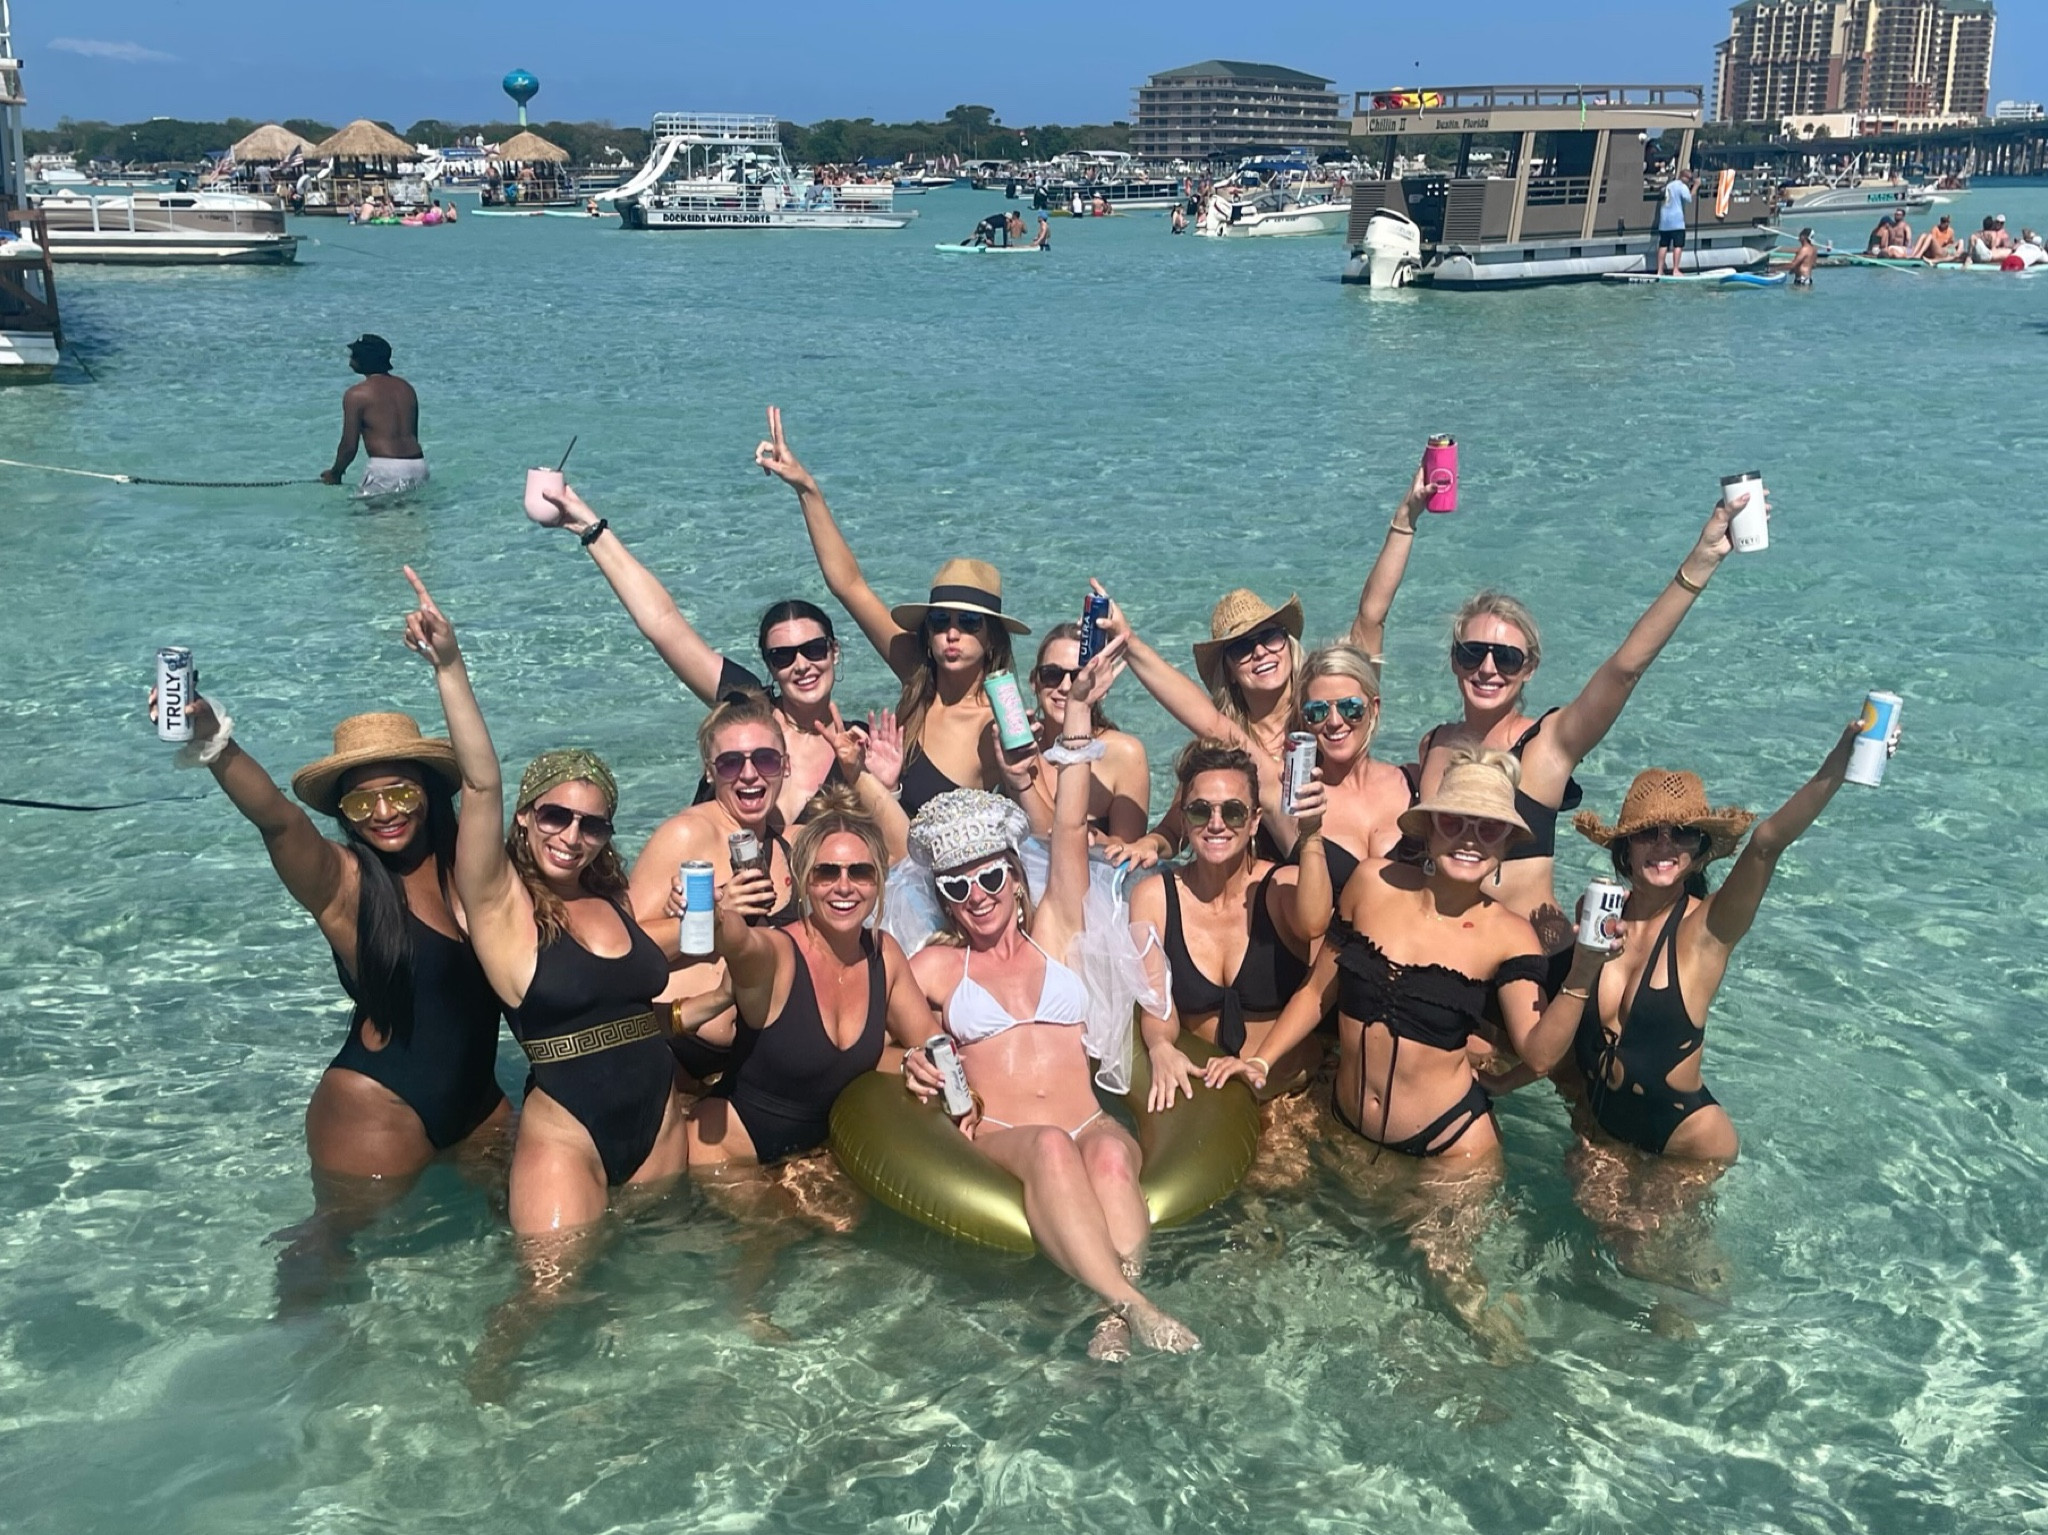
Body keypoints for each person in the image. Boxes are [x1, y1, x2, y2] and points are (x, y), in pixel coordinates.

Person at [1208, 749, 1606, 1345]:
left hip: (1448, 1152)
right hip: (1343, 1127)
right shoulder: (1372, 883)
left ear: (1504, 844)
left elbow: (1540, 1054)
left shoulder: (1509, 935)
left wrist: (1583, 973)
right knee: (1253, 1239)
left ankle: (1509, 1382)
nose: (1469, 839)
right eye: (1455, 822)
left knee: (1458, 1297)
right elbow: (1320, 988)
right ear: (1429, 826)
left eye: (1488, 828)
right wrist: (1262, 1060)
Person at [150, 694, 508, 1308]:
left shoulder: (468, 867)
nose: (383, 813)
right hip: (377, 1112)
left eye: (399, 793)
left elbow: (491, 794)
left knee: (531, 1227)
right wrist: (213, 740)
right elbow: (279, 821)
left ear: (428, 791)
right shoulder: (343, 883)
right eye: (361, 802)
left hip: (480, 1103)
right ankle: (301, 1371)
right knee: (331, 1245)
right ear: (343, 812)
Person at [901, 638, 1200, 1359]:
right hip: (1007, 1132)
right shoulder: (938, 967)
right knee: (1050, 1149)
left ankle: (1111, 1315)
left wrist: (1078, 720)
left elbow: (1067, 825)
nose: (978, 896)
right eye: (957, 887)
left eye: (991, 879)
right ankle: (1134, 1301)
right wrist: (911, 1062)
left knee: (1102, 1156)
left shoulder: (1055, 931)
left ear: (1013, 874)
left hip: (1089, 1117)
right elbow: (899, 1041)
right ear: (941, 897)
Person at [401, 568, 686, 1228]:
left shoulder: (609, 897)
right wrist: (449, 665)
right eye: (556, 815)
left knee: (662, 1292)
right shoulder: (502, 904)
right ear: (526, 817)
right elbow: (478, 782)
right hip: (568, 1134)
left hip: (659, 1119)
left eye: (592, 824)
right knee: (543, 1305)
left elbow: (636, 986)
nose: (572, 835)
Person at [1375, 496, 1751, 993]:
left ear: (1528, 668)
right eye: (1473, 653)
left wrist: (1699, 564)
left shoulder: (1548, 743)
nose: (1487, 669)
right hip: (1446, 962)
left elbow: (1625, 669)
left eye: (1506, 658)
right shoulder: (1435, 745)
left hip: (1528, 966)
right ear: (1453, 660)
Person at [1566, 723, 1866, 1162]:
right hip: (1604, 1131)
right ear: (1625, 847)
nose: (1664, 846)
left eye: (1682, 834)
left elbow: (1766, 844)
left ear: (1701, 850)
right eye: (1649, 833)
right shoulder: (1598, 914)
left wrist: (1842, 761)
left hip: (1685, 1146)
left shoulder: (1707, 929)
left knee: (1636, 1233)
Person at [537, 483, 899, 827]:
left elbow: (894, 853)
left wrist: (885, 788)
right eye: (783, 656)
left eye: (814, 649)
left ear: (834, 652)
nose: (802, 665)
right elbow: (663, 623)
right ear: (770, 664)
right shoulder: (745, 707)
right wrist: (589, 527)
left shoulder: (862, 745)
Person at [762, 405, 1025, 815]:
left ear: (991, 636)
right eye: (940, 622)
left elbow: (1036, 803)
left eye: (968, 622)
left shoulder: (998, 722)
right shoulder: (919, 678)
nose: (951, 634)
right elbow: (849, 586)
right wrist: (807, 489)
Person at [683, 787, 932, 1167]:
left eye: (860, 872)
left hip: (811, 1155)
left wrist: (918, 1066)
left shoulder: (884, 954)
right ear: (804, 878)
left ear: (879, 879)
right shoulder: (777, 954)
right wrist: (712, 913)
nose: (844, 886)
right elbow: (740, 943)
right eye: (826, 872)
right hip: (728, 1157)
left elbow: (932, 1045)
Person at [1133, 739, 1330, 1103]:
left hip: (1295, 1097)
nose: (1216, 824)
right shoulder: (1154, 898)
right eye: (1199, 811)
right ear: (1182, 818)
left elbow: (1315, 922)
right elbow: (1156, 1002)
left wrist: (1312, 833)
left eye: (1234, 812)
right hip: (1219, 1108)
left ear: (1254, 821)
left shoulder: (1279, 887)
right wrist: (1160, 1046)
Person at [1009, 621, 1150, 841]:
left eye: (1079, 676)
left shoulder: (1125, 754)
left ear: (1101, 689)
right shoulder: (1014, 746)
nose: (1065, 687)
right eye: (1052, 674)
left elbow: (1129, 857)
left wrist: (1090, 837)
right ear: (1034, 682)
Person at [321, 334, 428, 498]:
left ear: (365, 359)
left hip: (385, 469)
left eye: (354, 355)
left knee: (366, 520)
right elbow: (412, 435)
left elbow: (349, 446)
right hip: (418, 465)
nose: (350, 359)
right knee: (408, 520)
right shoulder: (406, 388)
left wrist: (336, 473)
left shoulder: (357, 394)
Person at [1654, 169, 1693, 276]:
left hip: (1664, 221)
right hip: (1677, 222)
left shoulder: (1668, 185)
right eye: (1689, 179)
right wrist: (1696, 186)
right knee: (1678, 245)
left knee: (1663, 244)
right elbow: (1689, 199)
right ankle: (1675, 269)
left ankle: (1659, 270)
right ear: (1685, 177)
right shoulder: (1682, 186)